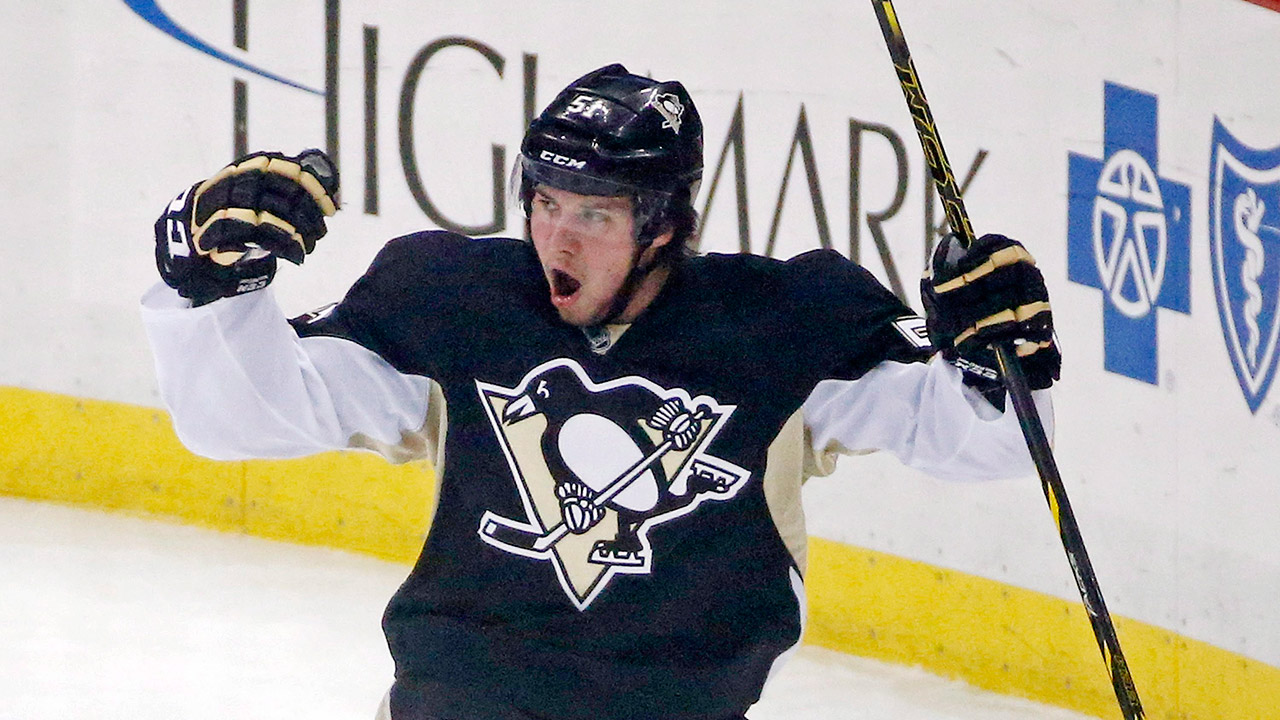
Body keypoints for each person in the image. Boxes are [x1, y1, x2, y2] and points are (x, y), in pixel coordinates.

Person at [142, 64, 1059, 720]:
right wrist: (210, 282)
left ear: (663, 226)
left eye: (595, 214)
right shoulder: (451, 304)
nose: (559, 240)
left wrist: (998, 363)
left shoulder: (782, 329)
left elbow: (982, 444)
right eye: (545, 202)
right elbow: (243, 419)